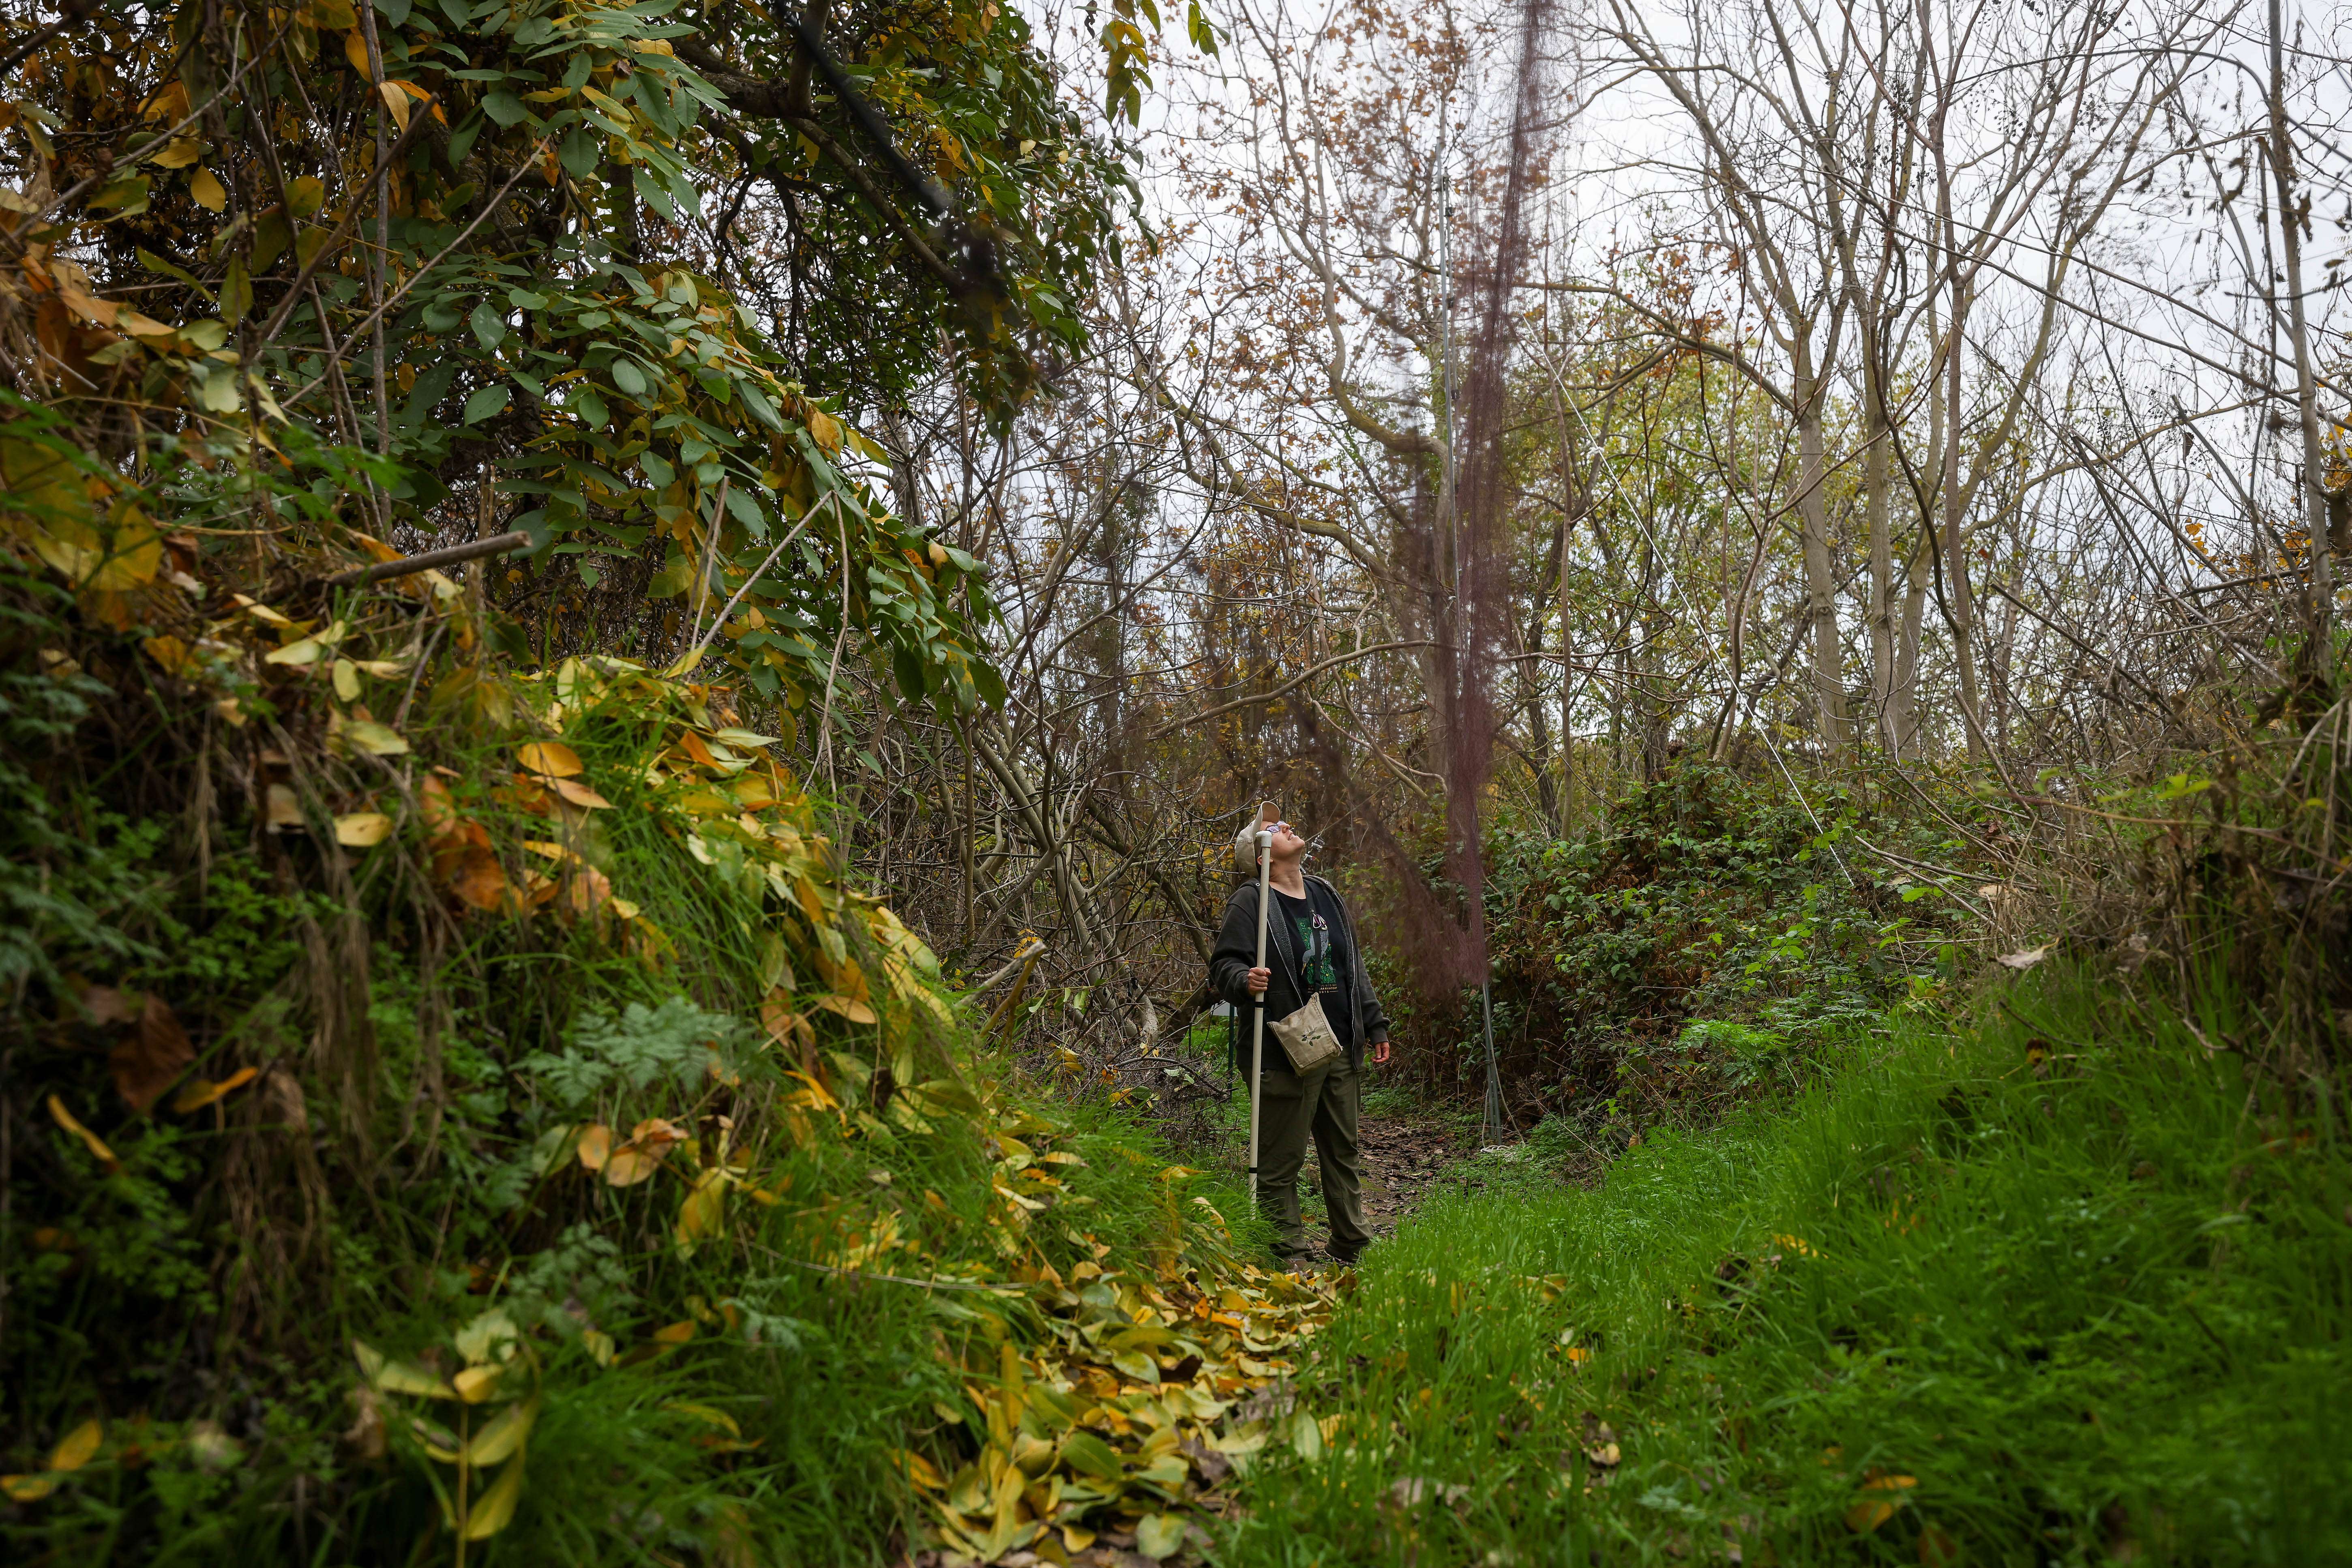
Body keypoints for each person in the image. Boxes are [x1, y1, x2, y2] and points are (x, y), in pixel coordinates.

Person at [1209, 810, 1392, 1266]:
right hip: (1283, 1049)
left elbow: (1352, 965)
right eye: (1272, 829)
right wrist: (1244, 979)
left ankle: (1351, 1245)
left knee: (1342, 1152)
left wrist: (1373, 1022)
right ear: (1262, 856)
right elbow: (1224, 965)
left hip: (1339, 1042)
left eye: (1283, 824)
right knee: (1281, 1159)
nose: (1285, 826)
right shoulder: (1249, 901)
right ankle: (1286, 1253)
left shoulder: (1325, 893)